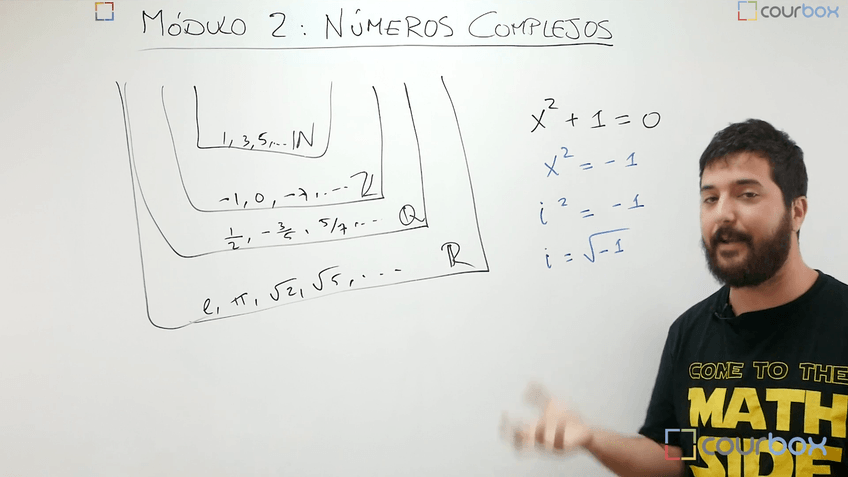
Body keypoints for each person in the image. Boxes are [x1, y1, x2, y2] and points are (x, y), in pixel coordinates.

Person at [501, 119, 848, 476]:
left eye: (747, 194)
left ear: (796, 212)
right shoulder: (689, 332)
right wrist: (591, 439)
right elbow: (674, 456)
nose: (723, 213)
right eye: (710, 198)